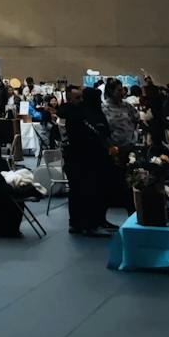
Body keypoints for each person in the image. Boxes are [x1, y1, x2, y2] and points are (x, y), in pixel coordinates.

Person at [61, 85, 115, 236]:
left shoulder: (84, 113)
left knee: (89, 191)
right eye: (77, 98)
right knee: (81, 192)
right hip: (77, 158)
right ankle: (83, 224)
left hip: (89, 158)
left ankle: (92, 222)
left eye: (82, 98)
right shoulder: (71, 113)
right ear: (70, 98)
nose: (81, 101)